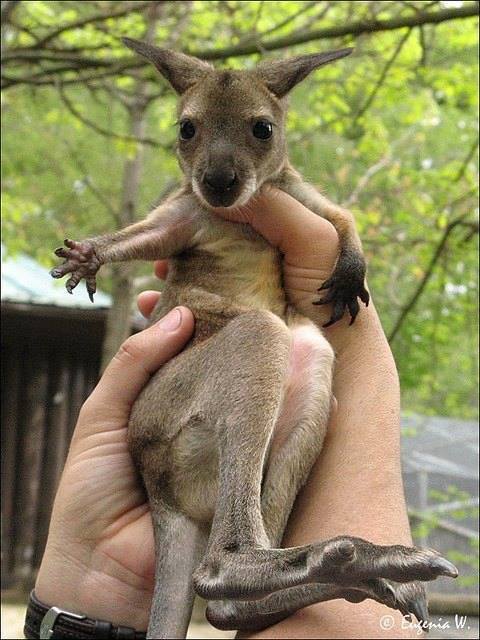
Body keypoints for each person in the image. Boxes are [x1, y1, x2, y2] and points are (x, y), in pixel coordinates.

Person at [32, 189, 417, 639]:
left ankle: (252, 580)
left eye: (257, 142)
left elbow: (339, 221)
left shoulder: (281, 192)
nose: (221, 170)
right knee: (264, 332)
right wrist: (95, 252)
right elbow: (150, 231)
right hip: (182, 427)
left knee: (311, 353)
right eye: (191, 144)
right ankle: (238, 552)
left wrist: (349, 275)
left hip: (227, 424)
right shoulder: (195, 204)